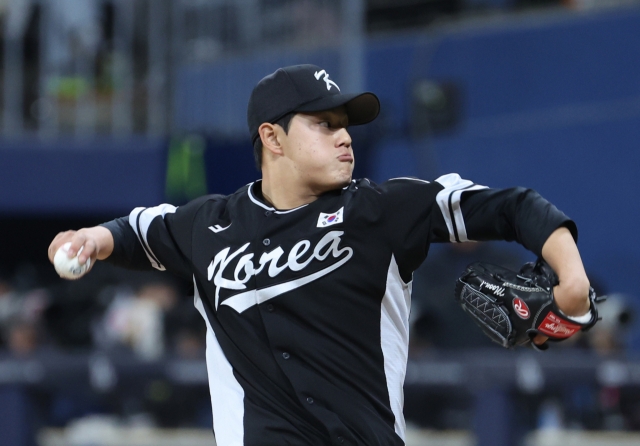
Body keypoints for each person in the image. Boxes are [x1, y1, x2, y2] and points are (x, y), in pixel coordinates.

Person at [48, 64, 593, 446]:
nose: (345, 138)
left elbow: (512, 207)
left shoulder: (382, 210)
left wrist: (571, 280)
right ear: (273, 137)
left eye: (347, 126)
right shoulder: (208, 225)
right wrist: (89, 239)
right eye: (324, 124)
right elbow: (133, 230)